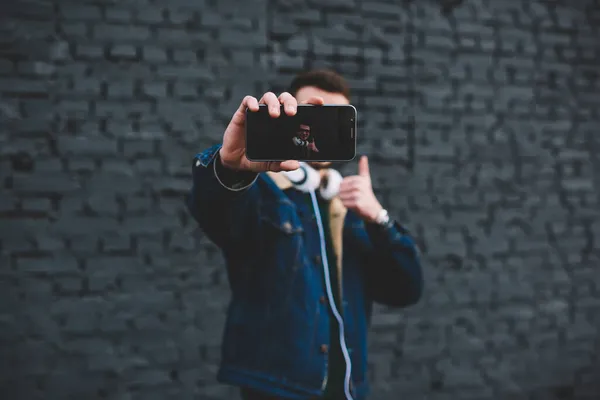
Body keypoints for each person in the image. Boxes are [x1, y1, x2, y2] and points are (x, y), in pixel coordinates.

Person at [186, 69, 424, 400]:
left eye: (334, 118)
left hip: (349, 389)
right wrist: (229, 168)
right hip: (279, 389)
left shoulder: (349, 206)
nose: (320, 128)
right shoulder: (260, 193)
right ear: (288, 119)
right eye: (312, 115)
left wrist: (379, 218)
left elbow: (406, 289)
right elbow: (215, 211)